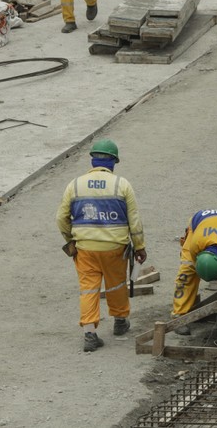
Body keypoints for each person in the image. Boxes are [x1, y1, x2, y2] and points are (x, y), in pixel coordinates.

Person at [57, 139, 146, 352]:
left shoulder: (75, 184)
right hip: (115, 248)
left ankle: (89, 333)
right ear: (114, 161)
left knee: (88, 289)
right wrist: (140, 246)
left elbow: (61, 218)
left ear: (92, 159)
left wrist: (70, 240)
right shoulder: (121, 184)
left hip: (85, 249)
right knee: (116, 284)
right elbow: (134, 221)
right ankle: (120, 321)